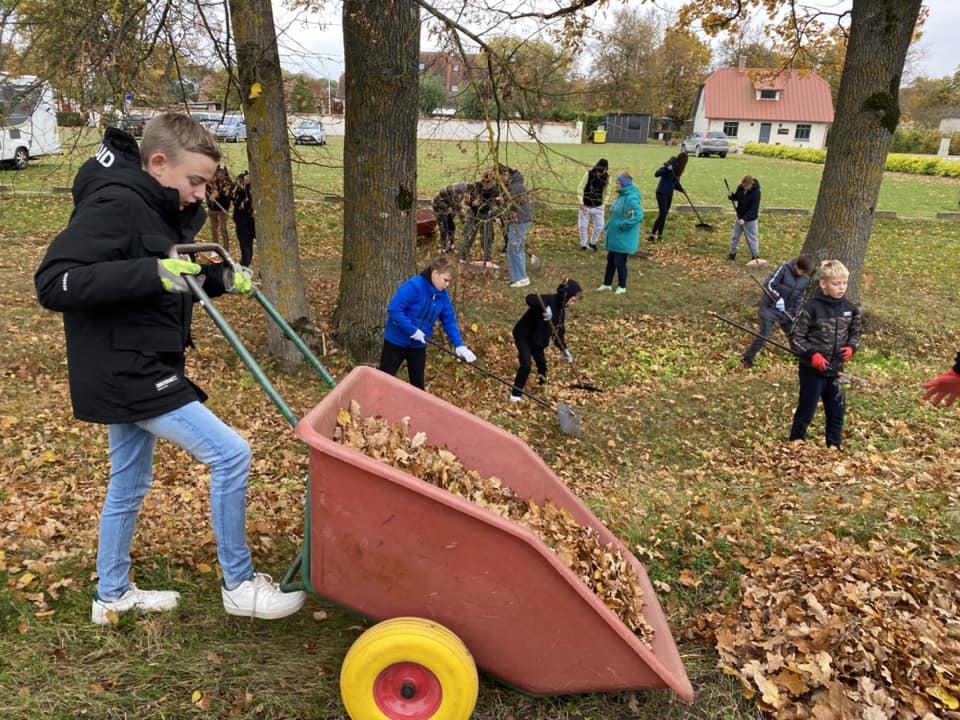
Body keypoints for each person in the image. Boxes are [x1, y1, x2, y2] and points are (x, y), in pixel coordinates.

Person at [33, 113, 305, 624]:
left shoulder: (154, 208)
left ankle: (111, 595)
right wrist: (151, 272)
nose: (203, 194)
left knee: (129, 483)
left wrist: (222, 278)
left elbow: (166, 275)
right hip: (128, 368)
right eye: (195, 181)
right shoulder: (117, 204)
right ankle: (239, 584)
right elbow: (55, 282)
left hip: (136, 360)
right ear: (158, 164)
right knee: (232, 455)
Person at [787, 260, 862, 450]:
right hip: (812, 370)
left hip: (837, 371)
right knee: (807, 407)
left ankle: (834, 445)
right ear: (823, 284)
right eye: (836, 284)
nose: (841, 288)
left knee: (837, 410)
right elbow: (796, 336)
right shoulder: (811, 308)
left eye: (844, 283)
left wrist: (852, 348)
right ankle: (797, 441)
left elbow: (856, 334)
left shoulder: (851, 309)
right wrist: (812, 355)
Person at [379, 255, 477, 390]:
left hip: (419, 344)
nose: (447, 285)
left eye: (449, 282)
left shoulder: (443, 296)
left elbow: (449, 320)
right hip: (396, 341)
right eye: (446, 280)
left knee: (418, 385)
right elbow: (394, 310)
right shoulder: (414, 286)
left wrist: (459, 345)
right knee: (384, 379)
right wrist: (412, 330)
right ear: (435, 274)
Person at [510, 279, 583, 402]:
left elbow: (558, 333)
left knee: (542, 365)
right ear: (566, 295)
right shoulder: (548, 300)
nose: (573, 303)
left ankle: (543, 385)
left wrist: (564, 350)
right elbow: (530, 298)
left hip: (537, 341)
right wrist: (544, 308)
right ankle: (515, 395)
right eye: (573, 300)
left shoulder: (561, 312)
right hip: (524, 336)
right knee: (526, 365)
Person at [741, 253, 818, 369]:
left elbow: (800, 297)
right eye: (800, 270)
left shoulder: (805, 279)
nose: (801, 273)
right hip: (769, 309)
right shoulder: (784, 269)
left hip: (786, 312)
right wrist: (778, 299)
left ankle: (798, 355)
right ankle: (748, 358)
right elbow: (769, 284)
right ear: (797, 265)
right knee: (765, 334)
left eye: (804, 272)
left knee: (794, 333)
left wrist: (795, 313)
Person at [596, 173, 643, 295]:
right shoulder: (621, 196)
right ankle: (607, 284)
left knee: (620, 262)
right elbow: (615, 215)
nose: (615, 185)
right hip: (615, 235)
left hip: (623, 237)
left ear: (623, 184)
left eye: (617, 183)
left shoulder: (631, 198)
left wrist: (624, 225)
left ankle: (622, 286)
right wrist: (607, 227)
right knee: (611, 260)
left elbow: (638, 216)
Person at [500, 164, 534, 288]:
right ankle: (515, 278)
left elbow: (508, 205)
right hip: (516, 221)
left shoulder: (516, 187)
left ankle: (523, 278)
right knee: (511, 249)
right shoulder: (511, 185)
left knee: (516, 249)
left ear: (506, 174)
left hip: (520, 221)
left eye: (500, 177)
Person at [459, 169, 501, 266]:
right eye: (484, 182)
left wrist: (496, 215)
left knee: (486, 238)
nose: (486, 185)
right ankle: (463, 258)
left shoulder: (496, 190)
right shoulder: (476, 186)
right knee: (469, 235)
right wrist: (472, 203)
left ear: (493, 180)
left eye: (489, 182)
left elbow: (498, 205)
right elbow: (466, 201)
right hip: (473, 214)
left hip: (487, 216)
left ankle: (487, 260)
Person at [648, 152, 688, 243]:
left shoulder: (678, 170)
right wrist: (666, 169)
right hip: (661, 192)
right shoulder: (670, 163)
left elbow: (674, 183)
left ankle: (660, 235)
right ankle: (652, 235)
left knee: (664, 215)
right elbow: (657, 174)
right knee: (662, 214)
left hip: (669, 194)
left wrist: (682, 189)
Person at [577, 158, 610, 252]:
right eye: (600, 171)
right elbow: (580, 188)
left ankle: (593, 243)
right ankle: (583, 244)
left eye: (603, 171)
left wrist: (604, 203)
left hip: (598, 206)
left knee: (599, 225)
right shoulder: (588, 174)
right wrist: (581, 202)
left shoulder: (608, 177)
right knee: (583, 226)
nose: (601, 173)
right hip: (585, 205)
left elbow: (607, 191)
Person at [727, 175, 762, 262]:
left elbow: (754, 209)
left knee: (752, 238)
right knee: (735, 236)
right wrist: (731, 196)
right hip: (740, 216)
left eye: (747, 186)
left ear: (751, 184)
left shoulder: (756, 192)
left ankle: (755, 256)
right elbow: (737, 198)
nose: (745, 188)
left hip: (750, 220)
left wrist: (745, 219)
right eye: (744, 186)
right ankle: (732, 254)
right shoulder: (741, 187)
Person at [432, 182, 468, 254]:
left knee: (452, 226)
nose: (460, 194)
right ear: (456, 189)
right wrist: (463, 221)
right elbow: (457, 206)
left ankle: (452, 245)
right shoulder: (452, 191)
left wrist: (464, 222)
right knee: (444, 227)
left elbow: (458, 207)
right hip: (438, 206)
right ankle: (443, 248)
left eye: (462, 192)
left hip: (447, 206)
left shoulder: (461, 194)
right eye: (459, 192)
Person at [231, 171, 256, 267]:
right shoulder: (239, 191)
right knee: (246, 254)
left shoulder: (258, 189)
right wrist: (243, 182)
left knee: (267, 250)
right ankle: (242, 272)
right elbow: (232, 195)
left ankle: (263, 275)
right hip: (243, 227)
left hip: (258, 226)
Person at [206, 164, 232, 252]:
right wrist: (210, 201)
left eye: (223, 172)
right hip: (212, 209)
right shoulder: (211, 182)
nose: (221, 174)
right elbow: (206, 192)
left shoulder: (228, 183)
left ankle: (225, 250)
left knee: (222, 229)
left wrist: (218, 195)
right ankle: (215, 249)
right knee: (214, 229)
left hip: (222, 210)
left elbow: (228, 196)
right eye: (219, 172)